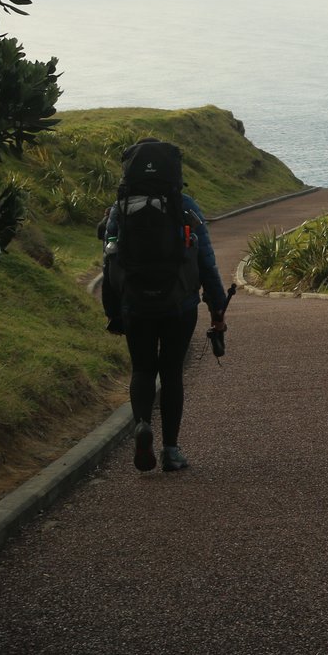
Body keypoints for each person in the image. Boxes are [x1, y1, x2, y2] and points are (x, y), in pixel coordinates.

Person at [99, 138, 229, 473]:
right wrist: (217, 309)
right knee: (171, 373)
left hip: (135, 304)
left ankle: (143, 424)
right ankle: (171, 451)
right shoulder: (185, 205)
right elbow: (206, 262)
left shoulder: (119, 209)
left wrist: (114, 310)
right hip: (179, 303)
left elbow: (109, 260)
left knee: (142, 369)